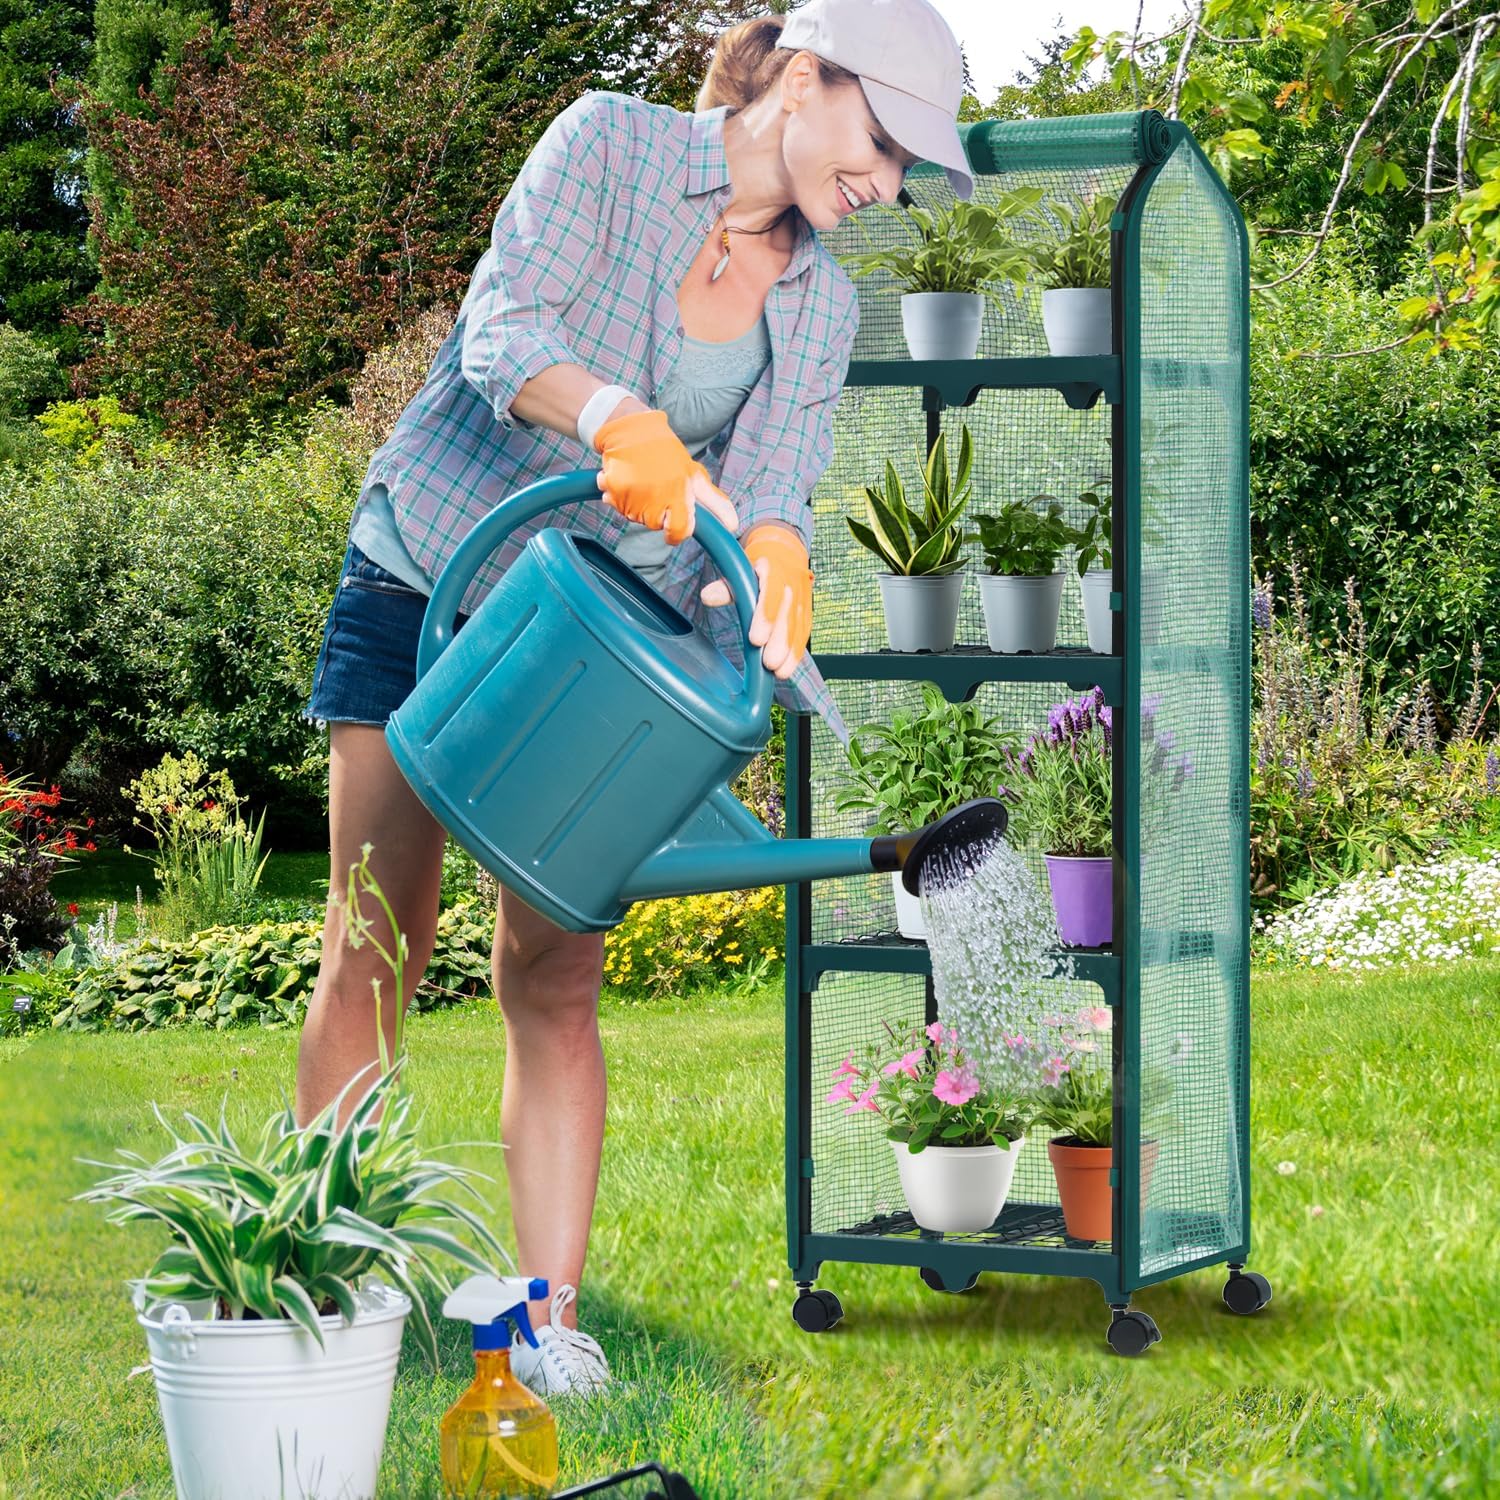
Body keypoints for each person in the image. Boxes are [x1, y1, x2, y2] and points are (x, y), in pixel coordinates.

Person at [295, 0, 973, 1397]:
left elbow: (772, 481)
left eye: (910, 166)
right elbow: (501, 335)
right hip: (433, 567)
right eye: (887, 141)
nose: (891, 183)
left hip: (592, 652)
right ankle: (328, 1295)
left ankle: (547, 1326)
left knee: (553, 973)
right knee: (378, 942)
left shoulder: (824, 298)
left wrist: (775, 548)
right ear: (803, 75)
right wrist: (614, 418)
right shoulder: (606, 146)